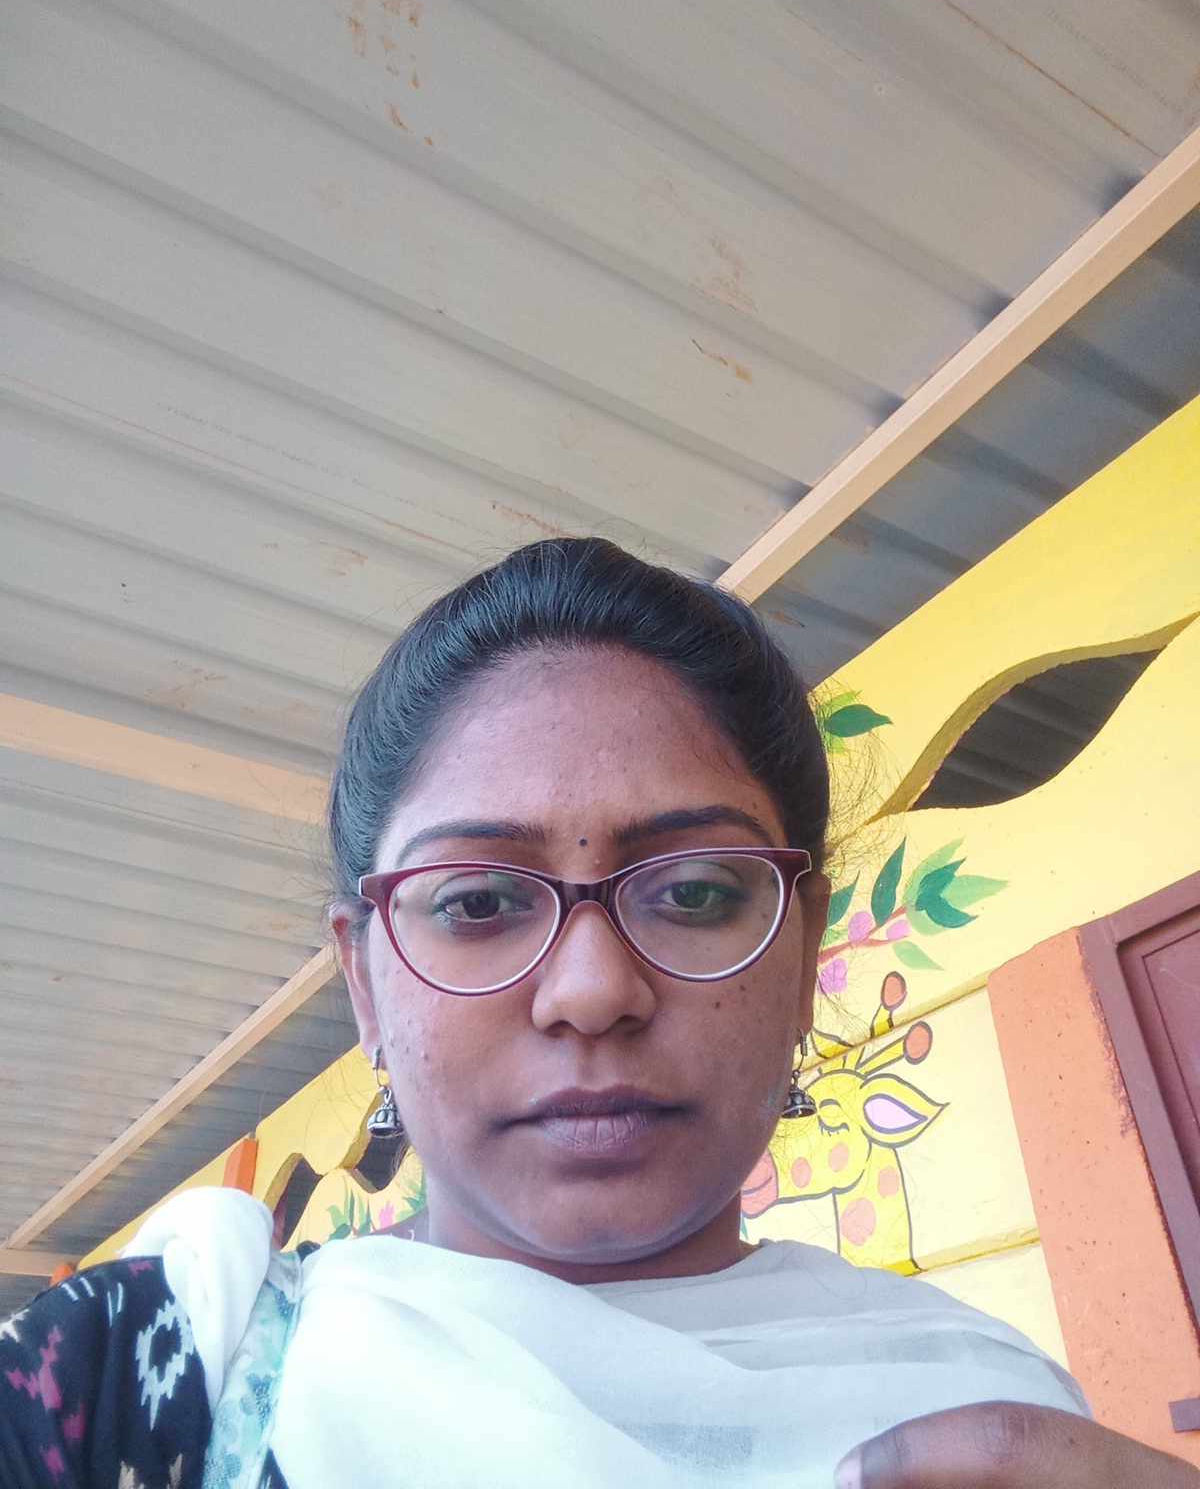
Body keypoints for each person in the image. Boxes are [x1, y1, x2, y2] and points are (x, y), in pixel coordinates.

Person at [1, 538, 1196, 1488]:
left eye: (696, 891)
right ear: (363, 980)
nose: (592, 990)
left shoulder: (993, 1427)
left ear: (803, 953)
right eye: (477, 901)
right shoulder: (136, 1379)